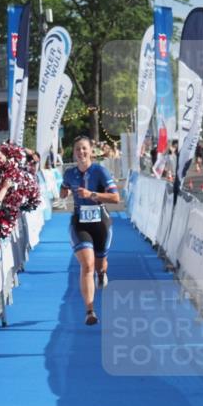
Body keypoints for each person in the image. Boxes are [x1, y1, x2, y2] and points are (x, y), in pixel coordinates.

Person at [60, 136, 120, 325]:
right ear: (74, 152)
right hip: (80, 222)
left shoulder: (100, 171)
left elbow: (116, 198)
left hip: (100, 223)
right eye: (78, 149)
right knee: (87, 265)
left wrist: (92, 194)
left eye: (84, 148)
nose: (81, 152)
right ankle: (90, 311)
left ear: (91, 151)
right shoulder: (69, 173)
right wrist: (63, 192)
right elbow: (64, 187)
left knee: (100, 265)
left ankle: (101, 273)